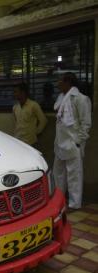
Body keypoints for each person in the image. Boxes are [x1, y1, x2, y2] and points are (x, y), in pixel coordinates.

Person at [53, 72, 92, 210]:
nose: (57, 83)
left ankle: (75, 205)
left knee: (74, 175)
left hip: (72, 143)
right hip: (60, 143)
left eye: (60, 81)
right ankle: (59, 200)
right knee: (58, 174)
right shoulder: (61, 98)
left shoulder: (81, 99)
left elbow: (85, 123)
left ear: (68, 82)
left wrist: (78, 142)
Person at [13, 82, 47, 147]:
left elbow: (43, 121)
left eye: (16, 92)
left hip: (30, 142)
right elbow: (17, 122)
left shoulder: (33, 105)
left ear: (23, 92)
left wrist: (36, 133)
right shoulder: (15, 107)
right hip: (18, 140)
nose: (14, 94)